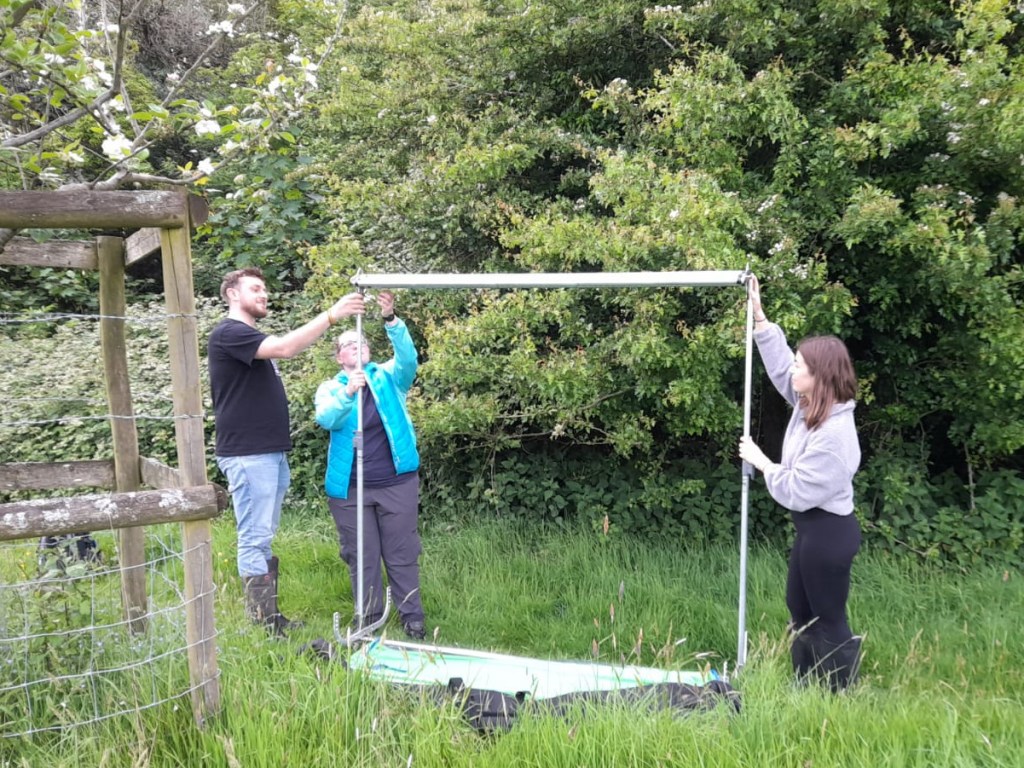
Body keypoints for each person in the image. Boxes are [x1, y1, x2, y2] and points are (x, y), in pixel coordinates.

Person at [208, 266, 366, 636]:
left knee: (264, 534)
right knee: (254, 537)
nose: (264, 294)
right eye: (255, 288)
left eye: (265, 289)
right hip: (249, 454)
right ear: (233, 294)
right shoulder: (229, 333)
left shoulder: (248, 336)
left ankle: (270, 619)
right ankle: (264, 627)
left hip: (268, 452)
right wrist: (331, 315)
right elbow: (287, 347)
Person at [738, 275, 862, 691]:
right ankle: (804, 683)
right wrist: (760, 320)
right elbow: (779, 370)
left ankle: (838, 692)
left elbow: (794, 490)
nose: (794, 368)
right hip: (811, 530)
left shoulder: (834, 437)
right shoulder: (811, 407)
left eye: (801, 366)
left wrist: (760, 460)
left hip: (829, 534)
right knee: (800, 606)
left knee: (827, 615)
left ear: (820, 377)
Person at [314, 290, 426, 640]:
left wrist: (391, 320)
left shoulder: (389, 377)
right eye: (348, 343)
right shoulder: (331, 388)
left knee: (401, 552)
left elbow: (409, 360)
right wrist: (349, 393)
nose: (356, 345)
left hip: (395, 483)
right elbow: (326, 418)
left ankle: (413, 617)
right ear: (338, 357)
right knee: (361, 555)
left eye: (361, 341)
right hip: (350, 489)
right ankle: (369, 618)